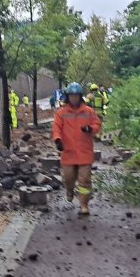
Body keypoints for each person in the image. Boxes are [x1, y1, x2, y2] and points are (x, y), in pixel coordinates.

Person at [52, 82, 102, 215]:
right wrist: (58, 140)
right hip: (68, 152)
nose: (74, 98)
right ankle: (69, 190)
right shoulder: (61, 113)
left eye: (76, 96)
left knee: (84, 180)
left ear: (80, 97)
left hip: (84, 152)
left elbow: (97, 124)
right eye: (71, 96)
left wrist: (90, 128)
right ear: (68, 97)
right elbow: (56, 128)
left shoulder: (88, 111)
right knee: (68, 178)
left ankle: (84, 204)